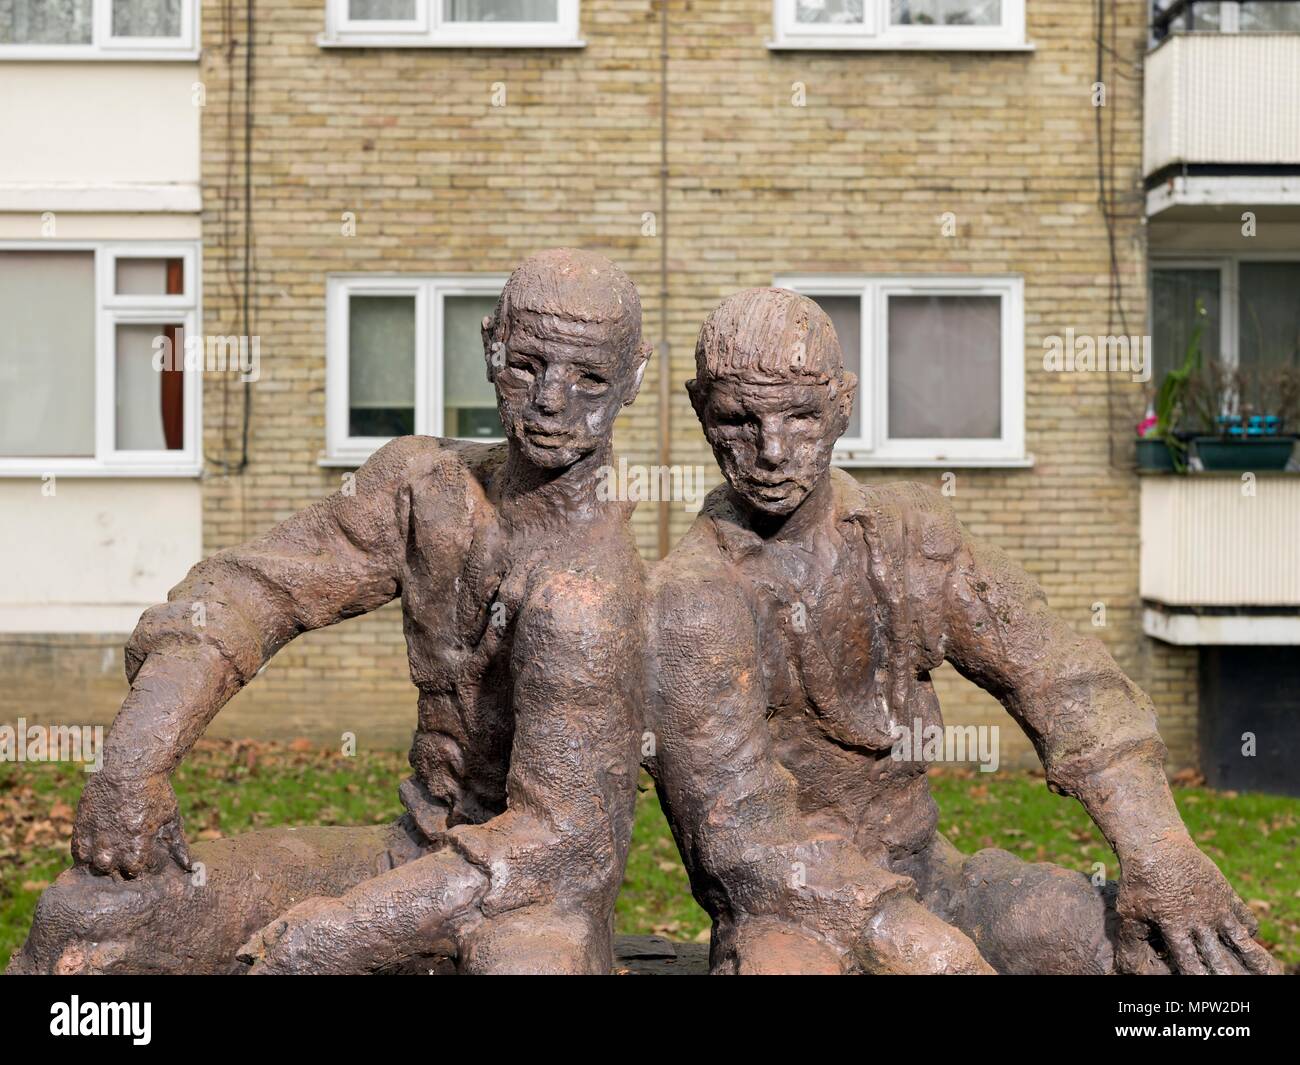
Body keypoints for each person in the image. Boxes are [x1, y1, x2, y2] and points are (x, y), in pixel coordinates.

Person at [9, 248, 650, 975]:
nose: (551, 400)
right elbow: (249, 591)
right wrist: (133, 761)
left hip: (530, 901)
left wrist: (344, 930)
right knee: (86, 918)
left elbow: (557, 843)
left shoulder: (596, 590)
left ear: (632, 379)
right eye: (527, 364)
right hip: (408, 853)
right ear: (489, 347)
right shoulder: (425, 487)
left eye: (588, 377)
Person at [645, 287, 1278, 975]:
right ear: (700, 410)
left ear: (843, 405)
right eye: (741, 420)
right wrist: (921, 946)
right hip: (789, 916)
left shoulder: (910, 534)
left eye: (800, 416)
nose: (772, 450)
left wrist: (1161, 849)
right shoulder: (686, 601)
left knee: (1168, 957)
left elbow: (1058, 672)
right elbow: (743, 836)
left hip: (932, 879)